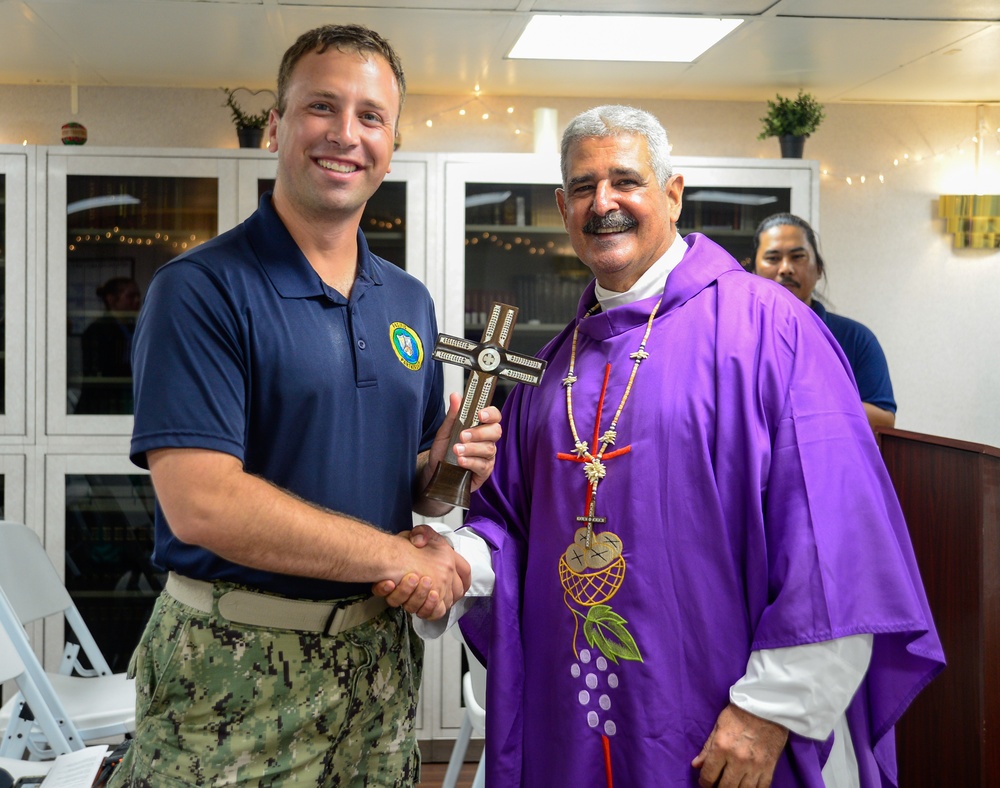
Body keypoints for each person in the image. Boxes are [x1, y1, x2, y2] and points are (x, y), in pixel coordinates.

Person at [381, 106, 944, 787]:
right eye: (583, 188)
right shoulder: (550, 371)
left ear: (673, 194)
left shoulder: (771, 330)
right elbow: (512, 528)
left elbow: (837, 536)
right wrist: (459, 563)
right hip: (582, 731)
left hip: (728, 725)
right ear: (563, 208)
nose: (603, 203)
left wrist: (771, 711)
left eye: (626, 180)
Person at [108, 24, 501, 787]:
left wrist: (447, 462)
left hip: (378, 672)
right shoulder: (200, 290)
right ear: (278, 127)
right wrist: (398, 555)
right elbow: (205, 506)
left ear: (391, 139)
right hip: (230, 673)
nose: (345, 135)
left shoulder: (408, 301)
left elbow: (412, 484)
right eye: (323, 107)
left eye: (370, 115)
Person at [750, 213, 897, 431]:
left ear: (819, 268)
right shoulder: (738, 336)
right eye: (773, 258)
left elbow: (883, 421)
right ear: (753, 271)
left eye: (797, 256)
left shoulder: (855, 338)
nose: (785, 268)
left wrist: (800, 400)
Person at [75, 276, 141, 414]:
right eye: (130, 296)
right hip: (104, 403)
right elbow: (96, 373)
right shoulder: (98, 329)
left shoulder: (134, 328)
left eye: (138, 296)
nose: (137, 301)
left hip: (128, 397)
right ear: (111, 299)